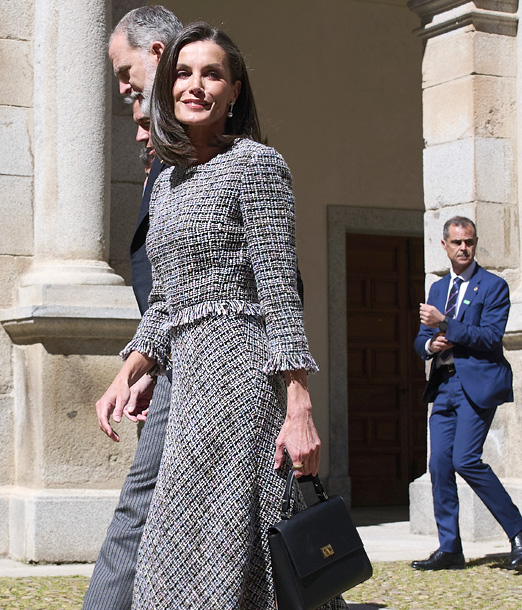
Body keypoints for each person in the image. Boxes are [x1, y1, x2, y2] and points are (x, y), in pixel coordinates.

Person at [107, 21, 347, 610]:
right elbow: (166, 300)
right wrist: (129, 368)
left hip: (241, 379)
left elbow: (279, 291)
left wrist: (300, 405)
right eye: (184, 73)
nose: (196, 85)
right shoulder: (165, 183)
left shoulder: (257, 165)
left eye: (212, 74)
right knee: (189, 554)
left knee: (211, 555)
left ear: (234, 90)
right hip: (189, 381)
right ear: (165, 89)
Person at [82, 7, 182, 610]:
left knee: (142, 509)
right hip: (174, 364)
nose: (125, 94)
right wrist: (145, 364)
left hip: (219, 369)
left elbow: (279, 288)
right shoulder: (163, 173)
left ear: (155, 50)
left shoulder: (237, 163)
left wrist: (135, 366)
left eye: (125, 74)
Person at [412, 216, 522, 572]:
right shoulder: (437, 290)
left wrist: (447, 324)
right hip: (443, 383)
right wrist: (431, 342)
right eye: (457, 242)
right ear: (444, 245)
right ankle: (450, 548)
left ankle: (519, 532)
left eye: (470, 242)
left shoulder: (493, 286)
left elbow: (491, 337)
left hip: (476, 384)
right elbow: (419, 341)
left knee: (465, 460)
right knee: (440, 464)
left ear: (475, 244)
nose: (464, 248)